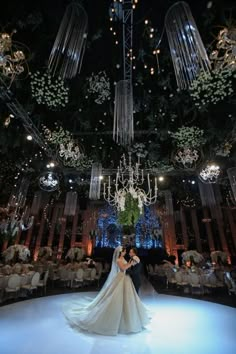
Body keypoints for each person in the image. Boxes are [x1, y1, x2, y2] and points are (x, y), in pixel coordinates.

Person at [63, 245, 149, 336]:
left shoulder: (123, 258)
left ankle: (129, 317)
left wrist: (131, 264)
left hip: (126, 278)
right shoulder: (118, 260)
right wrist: (130, 264)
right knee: (117, 297)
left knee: (127, 298)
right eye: (124, 251)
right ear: (120, 252)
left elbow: (128, 268)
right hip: (121, 278)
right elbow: (123, 268)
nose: (125, 252)